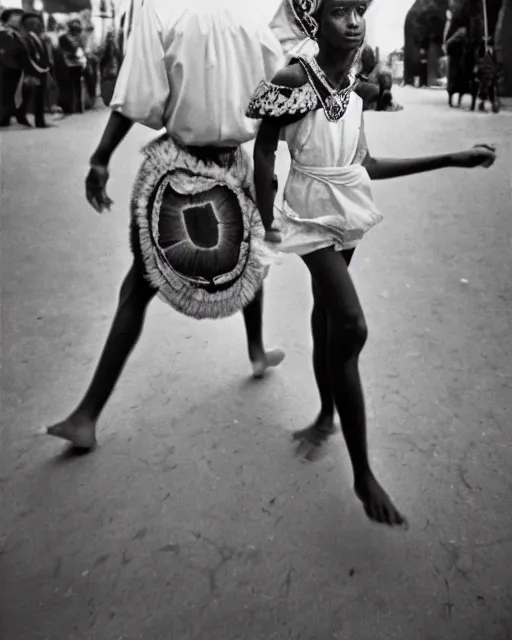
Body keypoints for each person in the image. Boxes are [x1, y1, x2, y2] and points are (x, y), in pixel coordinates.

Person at [247, 0, 496, 527]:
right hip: (308, 217)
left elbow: (365, 163)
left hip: (348, 206)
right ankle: (362, 476)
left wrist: (451, 158)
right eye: (340, 11)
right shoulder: (293, 78)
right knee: (353, 327)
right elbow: (266, 150)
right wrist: (267, 217)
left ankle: (324, 415)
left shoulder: (359, 78)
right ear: (315, 21)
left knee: (327, 319)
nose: (355, 20)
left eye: (360, 9)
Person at [43, 0, 286, 451]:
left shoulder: (162, 12)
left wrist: (101, 157)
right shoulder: (254, 23)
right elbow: (281, 95)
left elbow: (136, 95)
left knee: (138, 286)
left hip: (177, 167)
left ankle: (86, 415)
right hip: (235, 163)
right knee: (252, 257)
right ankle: (255, 351)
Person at [15, 12, 53, 128]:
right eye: (35, 23)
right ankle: (21, 116)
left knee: (37, 96)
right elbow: (27, 56)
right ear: (29, 25)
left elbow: (42, 54)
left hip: (41, 70)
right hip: (32, 71)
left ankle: (39, 121)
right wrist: (29, 73)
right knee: (29, 95)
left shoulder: (38, 38)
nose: (39, 25)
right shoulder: (26, 39)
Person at [0, 7, 29, 127]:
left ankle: (10, 117)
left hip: (17, 67)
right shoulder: (3, 32)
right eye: (15, 16)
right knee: (5, 93)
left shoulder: (18, 34)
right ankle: (3, 118)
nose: (19, 19)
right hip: (6, 66)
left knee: (13, 93)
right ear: (7, 18)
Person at [57, 17, 86, 114]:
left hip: (76, 64)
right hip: (66, 65)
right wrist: (73, 55)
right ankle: (68, 107)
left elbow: (81, 49)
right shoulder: (63, 38)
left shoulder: (79, 38)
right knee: (67, 87)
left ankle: (78, 107)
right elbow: (62, 51)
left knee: (77, 86)